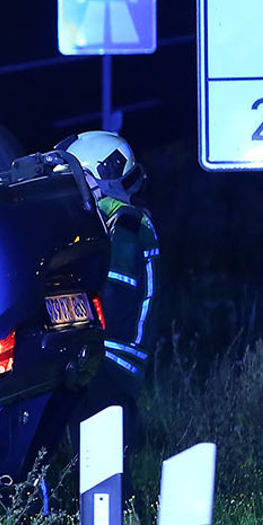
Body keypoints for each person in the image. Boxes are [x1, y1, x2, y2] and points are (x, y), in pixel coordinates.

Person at [60, 130, 160, 415]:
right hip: (104, 361)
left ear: (103, 178)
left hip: (111, 364)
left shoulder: (127, 226)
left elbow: (114, 298)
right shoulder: (113, 223)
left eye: (79, 179)